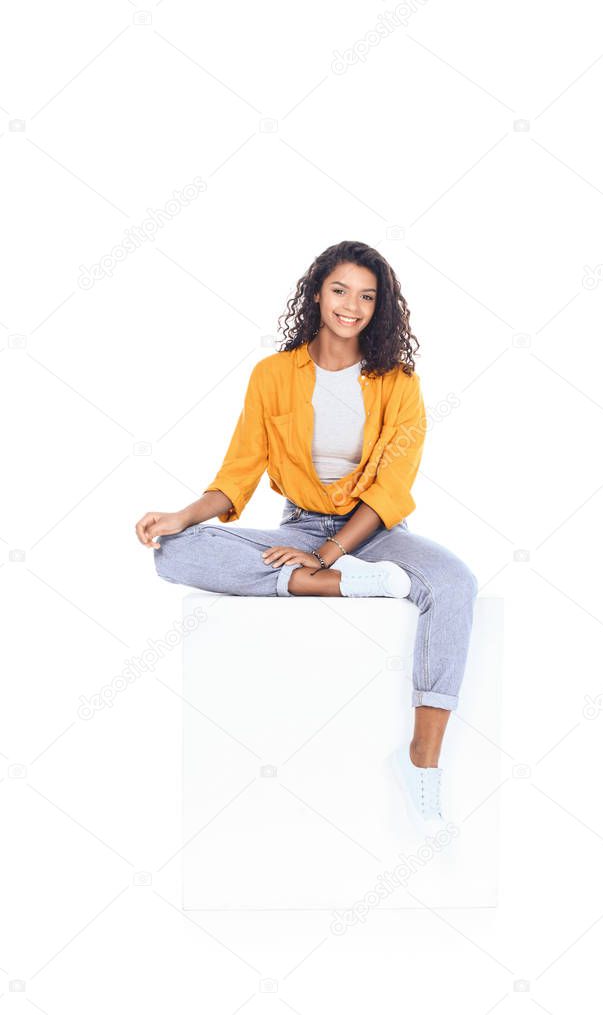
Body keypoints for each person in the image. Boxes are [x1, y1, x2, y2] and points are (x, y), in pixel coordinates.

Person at [135, 240, 478, 825]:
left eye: (367, 296)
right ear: (317, 291)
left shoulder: (399, 382)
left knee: (455, 583)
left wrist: (328, 551)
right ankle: (330, 586)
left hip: (372, 534)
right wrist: (182, 515)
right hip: (301, 527)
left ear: (381, 307)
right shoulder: (272, 375)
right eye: (341, 290)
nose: (352, 306)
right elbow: (238, 475)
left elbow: (392, 489)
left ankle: (423, 761)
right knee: (173, 553)